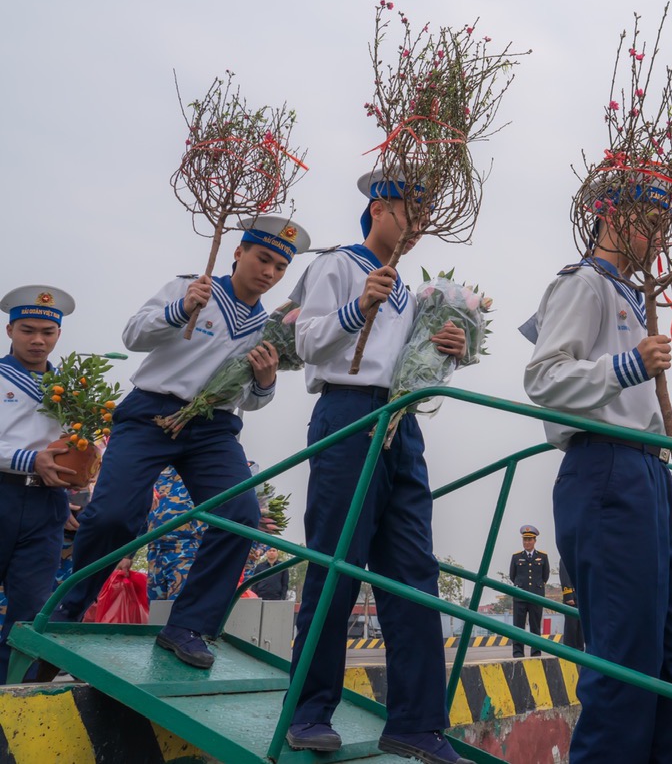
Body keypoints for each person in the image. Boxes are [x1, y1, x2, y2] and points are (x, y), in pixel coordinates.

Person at [53, 217, 306, 672]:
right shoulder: (192, 288)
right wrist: (180, 310)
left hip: (212, 428)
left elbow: (250, 397)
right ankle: (69, 607)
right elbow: (133, 335)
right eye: (262, 258)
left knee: (240, 517)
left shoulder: (267, 328)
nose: (269, 271)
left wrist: (266, 382)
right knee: (114, 516)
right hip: (150, 413)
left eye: (279, 267)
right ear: (238, 253)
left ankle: (188, 625)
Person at [284, 168, 470, 764]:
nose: (416, 227)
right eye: (410, 212)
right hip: (346, 417)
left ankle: (416, 722)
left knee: (414, 572)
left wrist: (449, 354)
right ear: (379, 207)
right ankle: (309, 711)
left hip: (400, 424)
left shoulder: (409, 288)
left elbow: (409, 364)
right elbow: (305, 342)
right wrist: (354, 308)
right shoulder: (338, 265)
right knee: (335, 564)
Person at [523, 175, 672, 763]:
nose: (657, 234)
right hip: (605, 466)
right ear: (609, 216)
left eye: (662, 223)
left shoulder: (630, 293)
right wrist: (627, 366)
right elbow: (543, 378)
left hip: (647, 472)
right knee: (624, 654)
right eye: (647, 219)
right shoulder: (584, 284)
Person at [0, 285, 76, 683]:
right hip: (3, 491)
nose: (37, 340)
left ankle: (13, 709)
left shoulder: (76, 389)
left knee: (29, 613)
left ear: (58, 335)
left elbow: (80, 442)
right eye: (27, 330)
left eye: (47, 332)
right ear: (10, 330)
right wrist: (30, 458)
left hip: (48, 503)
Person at [146, 467, 206, 601]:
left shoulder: (200, 470)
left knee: (180, 605)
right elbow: (143, 513)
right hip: (155, 550)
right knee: (155, 611)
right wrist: (128, 556)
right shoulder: (156, 474)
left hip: (186, 549)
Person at [509, 524, 550, 657]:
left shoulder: (542, 557)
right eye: (525, 540)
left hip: (536, 596)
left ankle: (536, 652)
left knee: (535, 627)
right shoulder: (516, 557)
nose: (527, 542)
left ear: (534, 541)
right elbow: (512, 575)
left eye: (529, 540)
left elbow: (545, 576)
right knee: (518, 627)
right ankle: (518, 653)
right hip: (520, 597)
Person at [560, 568, 584, 651]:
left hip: (581, 596)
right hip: (572, 597)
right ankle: (569, 650)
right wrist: (568, 596)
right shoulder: (567, 557)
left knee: (580, 626)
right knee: (571, 625)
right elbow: (565, 577)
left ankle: (580, 649)